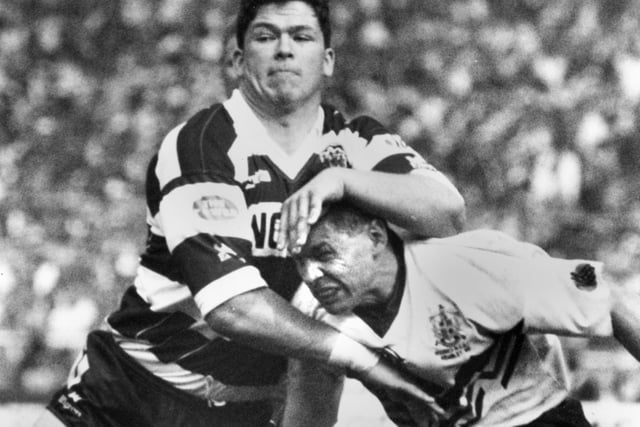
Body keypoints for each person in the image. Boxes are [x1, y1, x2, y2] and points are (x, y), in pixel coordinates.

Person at [34, 1, 465, 426]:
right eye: (265, 36)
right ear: (239, 60)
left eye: (301, 36)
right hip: (133, 390)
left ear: (328, 59)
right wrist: (356, 354)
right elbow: (231, 307)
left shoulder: (355, 141)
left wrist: (344, 181)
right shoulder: (203, 144)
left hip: (249, 412)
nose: (284, 49)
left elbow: (446, 212)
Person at [282, 202, 640, 427]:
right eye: (299, 261)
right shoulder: (318, 317)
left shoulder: (466, 268)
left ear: (376, 237)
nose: (310, 274)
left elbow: (606, 296)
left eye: (324, 253)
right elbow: (310, 413)